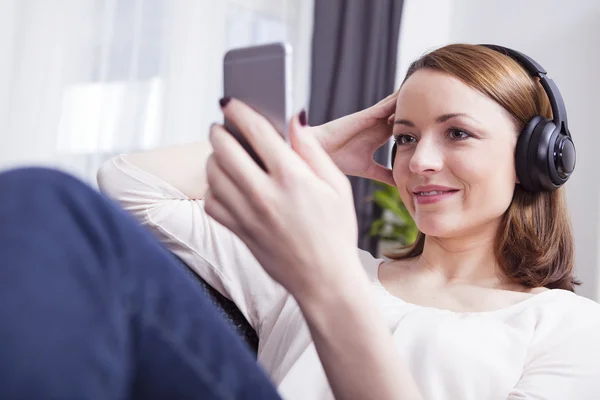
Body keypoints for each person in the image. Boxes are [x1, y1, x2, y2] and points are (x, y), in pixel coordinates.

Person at [1, 43, 599, 399]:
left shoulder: (566, 327)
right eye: (406, 136)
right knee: (42, 197)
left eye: (458, 133)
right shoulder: (313, 263)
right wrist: (314, 145)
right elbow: (132, 188)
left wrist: (329, 283)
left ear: (535, 158)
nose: (421, 161)